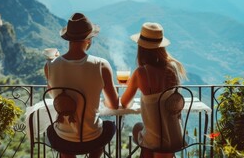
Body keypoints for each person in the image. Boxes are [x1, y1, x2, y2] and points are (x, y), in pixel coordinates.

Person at [44, 12, 119, 158]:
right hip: (92, 138)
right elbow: (114, 104)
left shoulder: (50, 66)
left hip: (63, 138)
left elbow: (54, 95)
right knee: (109, 127)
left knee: (62, 135)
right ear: (89, 39)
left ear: (68, 39)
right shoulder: (101, 65)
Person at [120, 22, 187, 158]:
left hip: (156, 140)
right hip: (176, 136)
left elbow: (124, 103)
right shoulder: (173, 69)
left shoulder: (141, 73)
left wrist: (132, 85)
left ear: (141, 48)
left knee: (139, 128)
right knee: (152, 137)